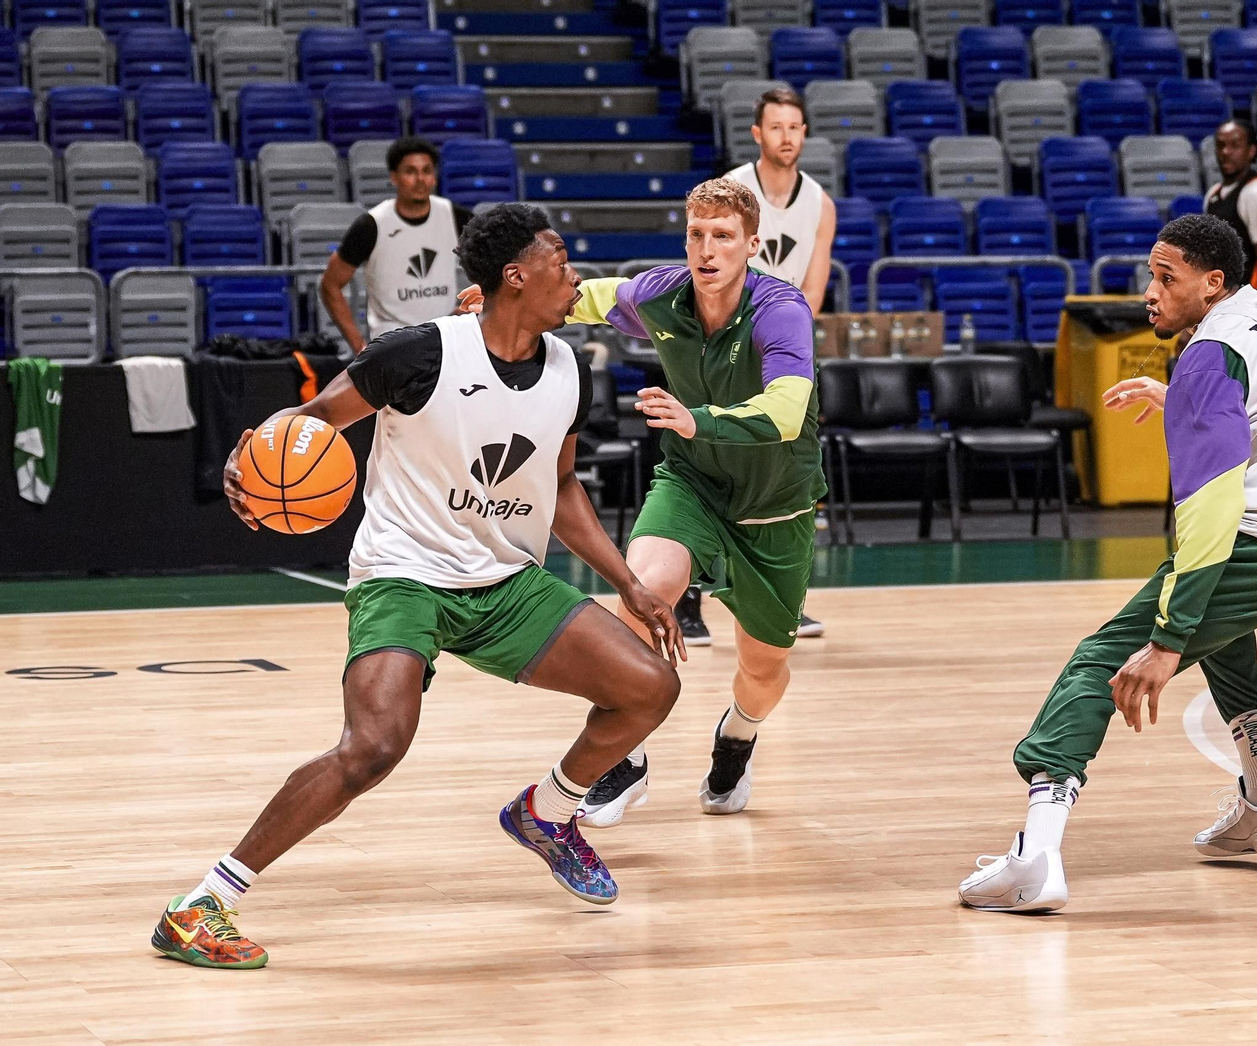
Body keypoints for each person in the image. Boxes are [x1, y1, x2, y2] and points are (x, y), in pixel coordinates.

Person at [151, 204, 685, 970]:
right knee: (372, 748)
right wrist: (251, 463)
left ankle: (548, 812)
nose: (575, 277)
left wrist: (629, 584)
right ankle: (203, 902)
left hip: (506, 582)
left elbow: (563, 487)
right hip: (405, 575)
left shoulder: (570, 370)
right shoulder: (417, 354)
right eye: (561, 262)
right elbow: (313, 421)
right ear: (515, 276)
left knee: (649, 688)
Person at [957, 215, 1257, 913]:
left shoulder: (1205, 356)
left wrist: (1164, 642)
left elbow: (1209, 515)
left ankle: (1035, 856)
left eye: (1168, 278)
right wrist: (1181, 402)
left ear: (1213, 283)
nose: (1149, 293)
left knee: (1103, 655)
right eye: (1150, 276)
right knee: (1225, 635)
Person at [482, 178, 825, 827]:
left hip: (774, 506)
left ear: (752, 245)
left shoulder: (781, 309)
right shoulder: (663, 292)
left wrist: (699, 420)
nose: (707, 247)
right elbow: (585, 297)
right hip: (692, 485)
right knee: (642, 590)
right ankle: (627, 757)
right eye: (697, 233)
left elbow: (785, 412)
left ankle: (738, 736)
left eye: (723, 235)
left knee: (762, 671)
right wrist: (506, 299)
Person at [669, 86, 835, 647]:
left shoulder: (821, 202)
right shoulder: (734, 193)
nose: (787, 136)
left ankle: (783, 595)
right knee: (706, 456)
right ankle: (688, 602)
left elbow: (814, 286)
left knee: (793, 459)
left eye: (795, 127)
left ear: (804, 134)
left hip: (782, 343)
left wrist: (780, 327)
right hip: (722, 336)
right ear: (758, 134)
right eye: (777, 127)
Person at [320, 136, 476, 355]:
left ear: (434, 177)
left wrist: (478, 304)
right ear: (394, 177)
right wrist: (359, 346)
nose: (420, 179)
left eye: (427, 171)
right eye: (411, 171)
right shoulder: (372, 224)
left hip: (445, 342)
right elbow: (330, 285)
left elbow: (496, 262)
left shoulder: (455, 216)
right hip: (392, 347)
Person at [1205, 119, 1257, 294]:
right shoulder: (1213, 194)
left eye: (1235, 145)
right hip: (1221, 300)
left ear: (1251, 150)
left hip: (1247, 301)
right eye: (1221, 145)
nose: (1226, 152)